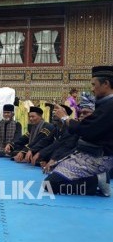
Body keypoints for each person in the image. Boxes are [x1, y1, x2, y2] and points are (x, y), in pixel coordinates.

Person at [45, 66, 113, 196]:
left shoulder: (110, 105)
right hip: (89, 152)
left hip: (97, 156)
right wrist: (93, 116)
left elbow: (86, 130)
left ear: (106, 84)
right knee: (54, 170)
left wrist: (65, 118)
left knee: (50, 184)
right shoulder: (106, 104)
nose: (92, 89)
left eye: (94, 85)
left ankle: (96, 180)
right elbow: (98, 125)